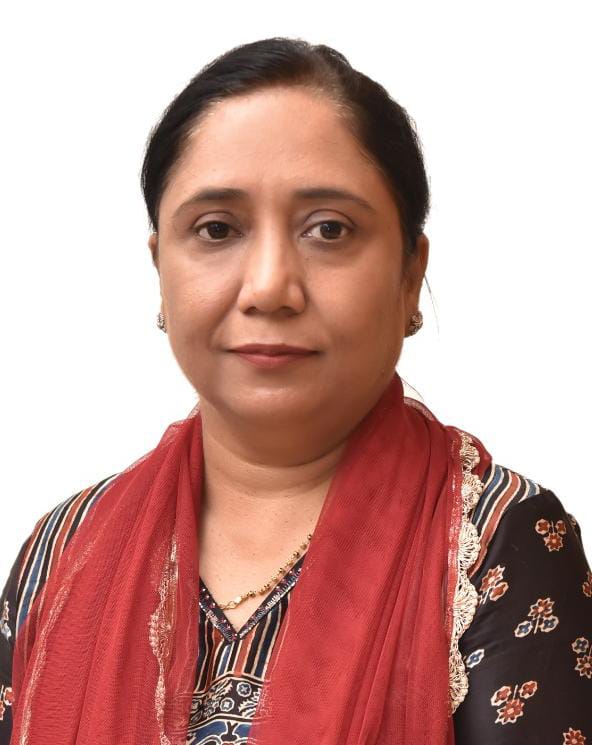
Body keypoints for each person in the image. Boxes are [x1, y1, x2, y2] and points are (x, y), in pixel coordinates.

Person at [1, 36, 590, 745]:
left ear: (410, 274)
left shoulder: (494, 542)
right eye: (217, 229)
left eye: (328, 229)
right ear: (160, 271)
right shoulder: (63, 551)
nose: (270, 286)